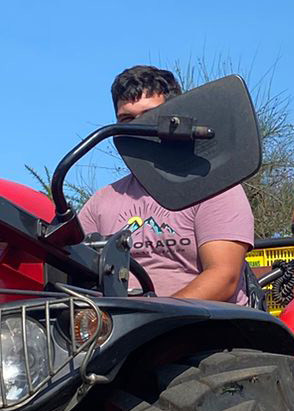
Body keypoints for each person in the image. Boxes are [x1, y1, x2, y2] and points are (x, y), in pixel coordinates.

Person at [76, 65, 256, 304]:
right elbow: (74, 273)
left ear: (175, 120)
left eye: (150, 115)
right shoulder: (101, 201)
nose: (137, 127)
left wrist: (149, 322)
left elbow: (223, 278)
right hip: (118, 332)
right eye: (126, 119)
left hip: (206, 330)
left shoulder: (215, 188)